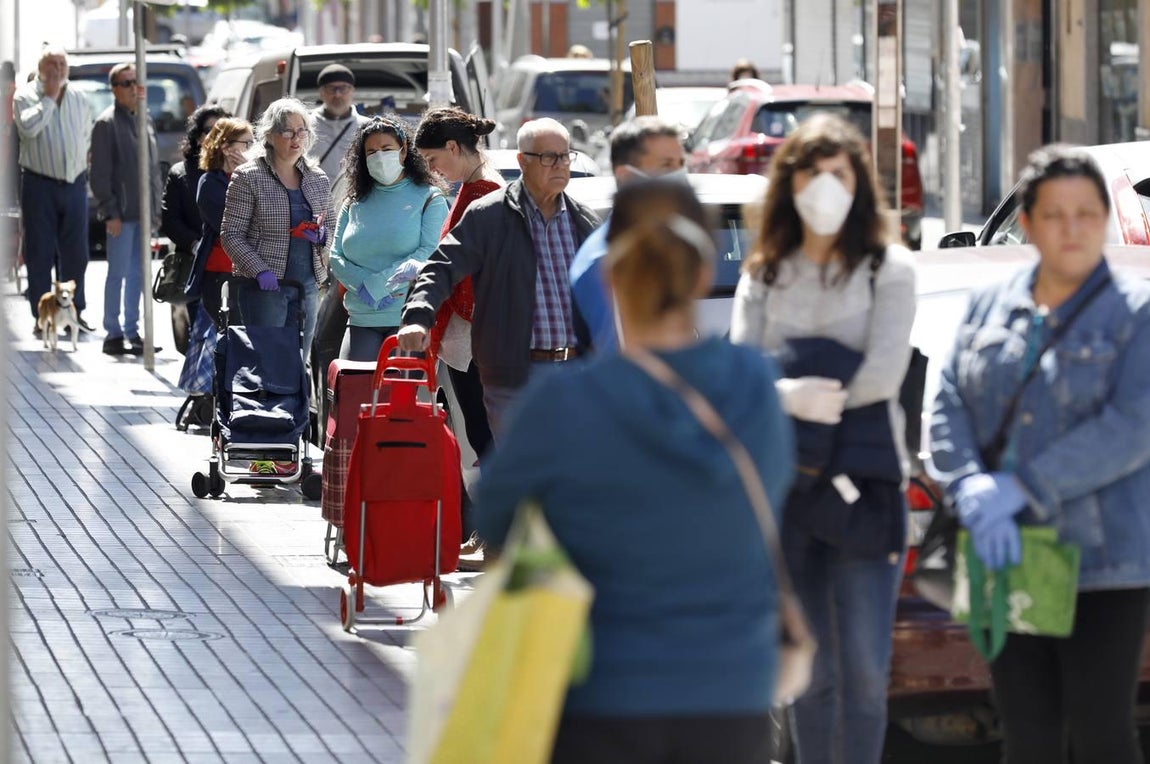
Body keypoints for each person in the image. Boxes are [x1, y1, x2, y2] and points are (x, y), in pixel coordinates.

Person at [474, 180, 795, 763]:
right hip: (730, 686)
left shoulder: (563, 401)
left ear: (607, 277)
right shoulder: (755, 385)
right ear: (702, 277)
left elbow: (494, 515)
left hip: (598, 688)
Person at [929, 145, 1150, 763]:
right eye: (1055, 214)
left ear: (1104, 220)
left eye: (1087, 213)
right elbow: (946, 400)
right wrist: (967, 483)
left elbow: (1134, 425)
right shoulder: (988, 304)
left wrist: (1025, 487)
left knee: (1103, 735)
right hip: (1006, 552)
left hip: (1103, 564)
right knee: (1027, 737)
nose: (1072, 228)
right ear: (1026, 223)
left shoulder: (1136, 312)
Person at [729, 112, 916, 764]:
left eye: (838, 174)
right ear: (790, 182)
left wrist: (807, 393)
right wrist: (787, 395)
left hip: (864, 486)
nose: (824, 186)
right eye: (812, 173)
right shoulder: (766, 272)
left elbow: (884, 373)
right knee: (812, 673)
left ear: (858, 182)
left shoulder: (887, 268)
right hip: (790, 488)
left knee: (865, 673)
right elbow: (741, 371)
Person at [397, 117, 601, 438]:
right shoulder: (490, 214)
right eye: (548, 157)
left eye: (565, 156)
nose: (559, 165)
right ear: (522, 161)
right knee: (516, 470)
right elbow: (442, 266)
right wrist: (418, 317)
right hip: (513, 376)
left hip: (572, 373)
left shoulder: (583, 221)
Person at [413, 106, 502, 461]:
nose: (432, 169)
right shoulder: (472, 185)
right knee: (479, 433)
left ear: (453, 147)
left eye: (432, 158)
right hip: (469, 330)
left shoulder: (484, 190)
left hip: (476, 330)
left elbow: (475, 267)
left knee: (485, 434)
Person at [328, 115, 448, 362]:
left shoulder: (429, 198)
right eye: (371, 151)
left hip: (409, 321)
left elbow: (429, 252)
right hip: (360, 318)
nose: (379, 156)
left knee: (399, 400)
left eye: (386, 149)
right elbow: (335, 255)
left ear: (403, 151)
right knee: (354, 395)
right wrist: (363, 286)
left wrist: (379, 285)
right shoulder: (353, 202)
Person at [221, 97, 332, 359]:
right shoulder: (248, 176)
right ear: (269, 135)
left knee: (298, 362)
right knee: (268, 361)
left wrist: (322, 236)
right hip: (265, 288)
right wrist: (259, 270)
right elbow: (231, 234)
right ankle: (268, 401)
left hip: (306, 285)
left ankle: (297, 402)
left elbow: (332, 224)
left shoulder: (317, 178)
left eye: (302, 130)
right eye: (287, 131)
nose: (296, 138)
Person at [569, 115, 687, 352]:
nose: (679, 175)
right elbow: (623, 364)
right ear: (626, 175)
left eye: (680, 164)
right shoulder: (608, 260)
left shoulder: (664, 243)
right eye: (666, 165)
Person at [12, 46, 93, 338]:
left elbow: (85, 135)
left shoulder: (80, 97)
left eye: (62, 63)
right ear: (41, 67)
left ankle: (74, 312)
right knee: (39, 253)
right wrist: (49, 97)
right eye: (52, 64)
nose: (58, 69)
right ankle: (42, 316)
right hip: (39, 184)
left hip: (73, 183)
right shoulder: (25, 96)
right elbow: (29, 129)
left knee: (77, 254)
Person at [90, 61, 164, 356]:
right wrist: (111, 211)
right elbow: (100, 174)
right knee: (117, 273)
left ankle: (133, 332)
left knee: (139, 275)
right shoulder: (106, 123)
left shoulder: (144, 118)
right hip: (120, 214)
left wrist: (156, 210)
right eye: (126, 83)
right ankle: (113, 332)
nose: (133, 88)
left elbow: (153, 171)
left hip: (144, 214)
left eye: (135, 82)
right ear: (114, 89)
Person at [160, 104, 229, 327]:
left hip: (231, 267)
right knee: (199, 338)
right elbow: (170, 221)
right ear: (198, 138)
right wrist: (195, 244)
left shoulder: (241, 171)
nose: (217, 137)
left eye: (223, 130)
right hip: (195, 266)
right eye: (210, 130)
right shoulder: (181, 173)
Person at [192, 116, 253, 324]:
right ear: (227, 148)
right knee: (231, 339)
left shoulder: (257, 177)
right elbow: (232, 225)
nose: (253, 150)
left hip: (251, 272)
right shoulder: (209, 183)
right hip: (221, 273)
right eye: (247, 144)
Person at [310, 64, 370, 197]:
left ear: (352, 91)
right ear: (321, 92)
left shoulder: (366, 127)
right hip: (314, 205)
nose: (337, 94)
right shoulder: (305, 126)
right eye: (331, 89)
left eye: (343, 88)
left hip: (355, 204)